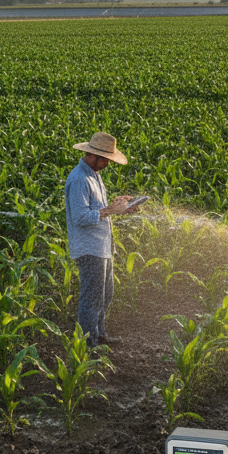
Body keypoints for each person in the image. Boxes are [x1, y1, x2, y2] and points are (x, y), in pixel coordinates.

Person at [65, 132, 143, 345]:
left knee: (105, 294)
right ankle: (88, 343)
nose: (108, 163)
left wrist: (121, 208)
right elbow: (81, 217)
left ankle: (99, 334)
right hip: (89, 248)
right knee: (91, 297)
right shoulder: (80, 179)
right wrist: (111, 209)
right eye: (106, 159)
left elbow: (98, 210)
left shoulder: (93, 175)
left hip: (102, 246)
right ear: (94, 155)